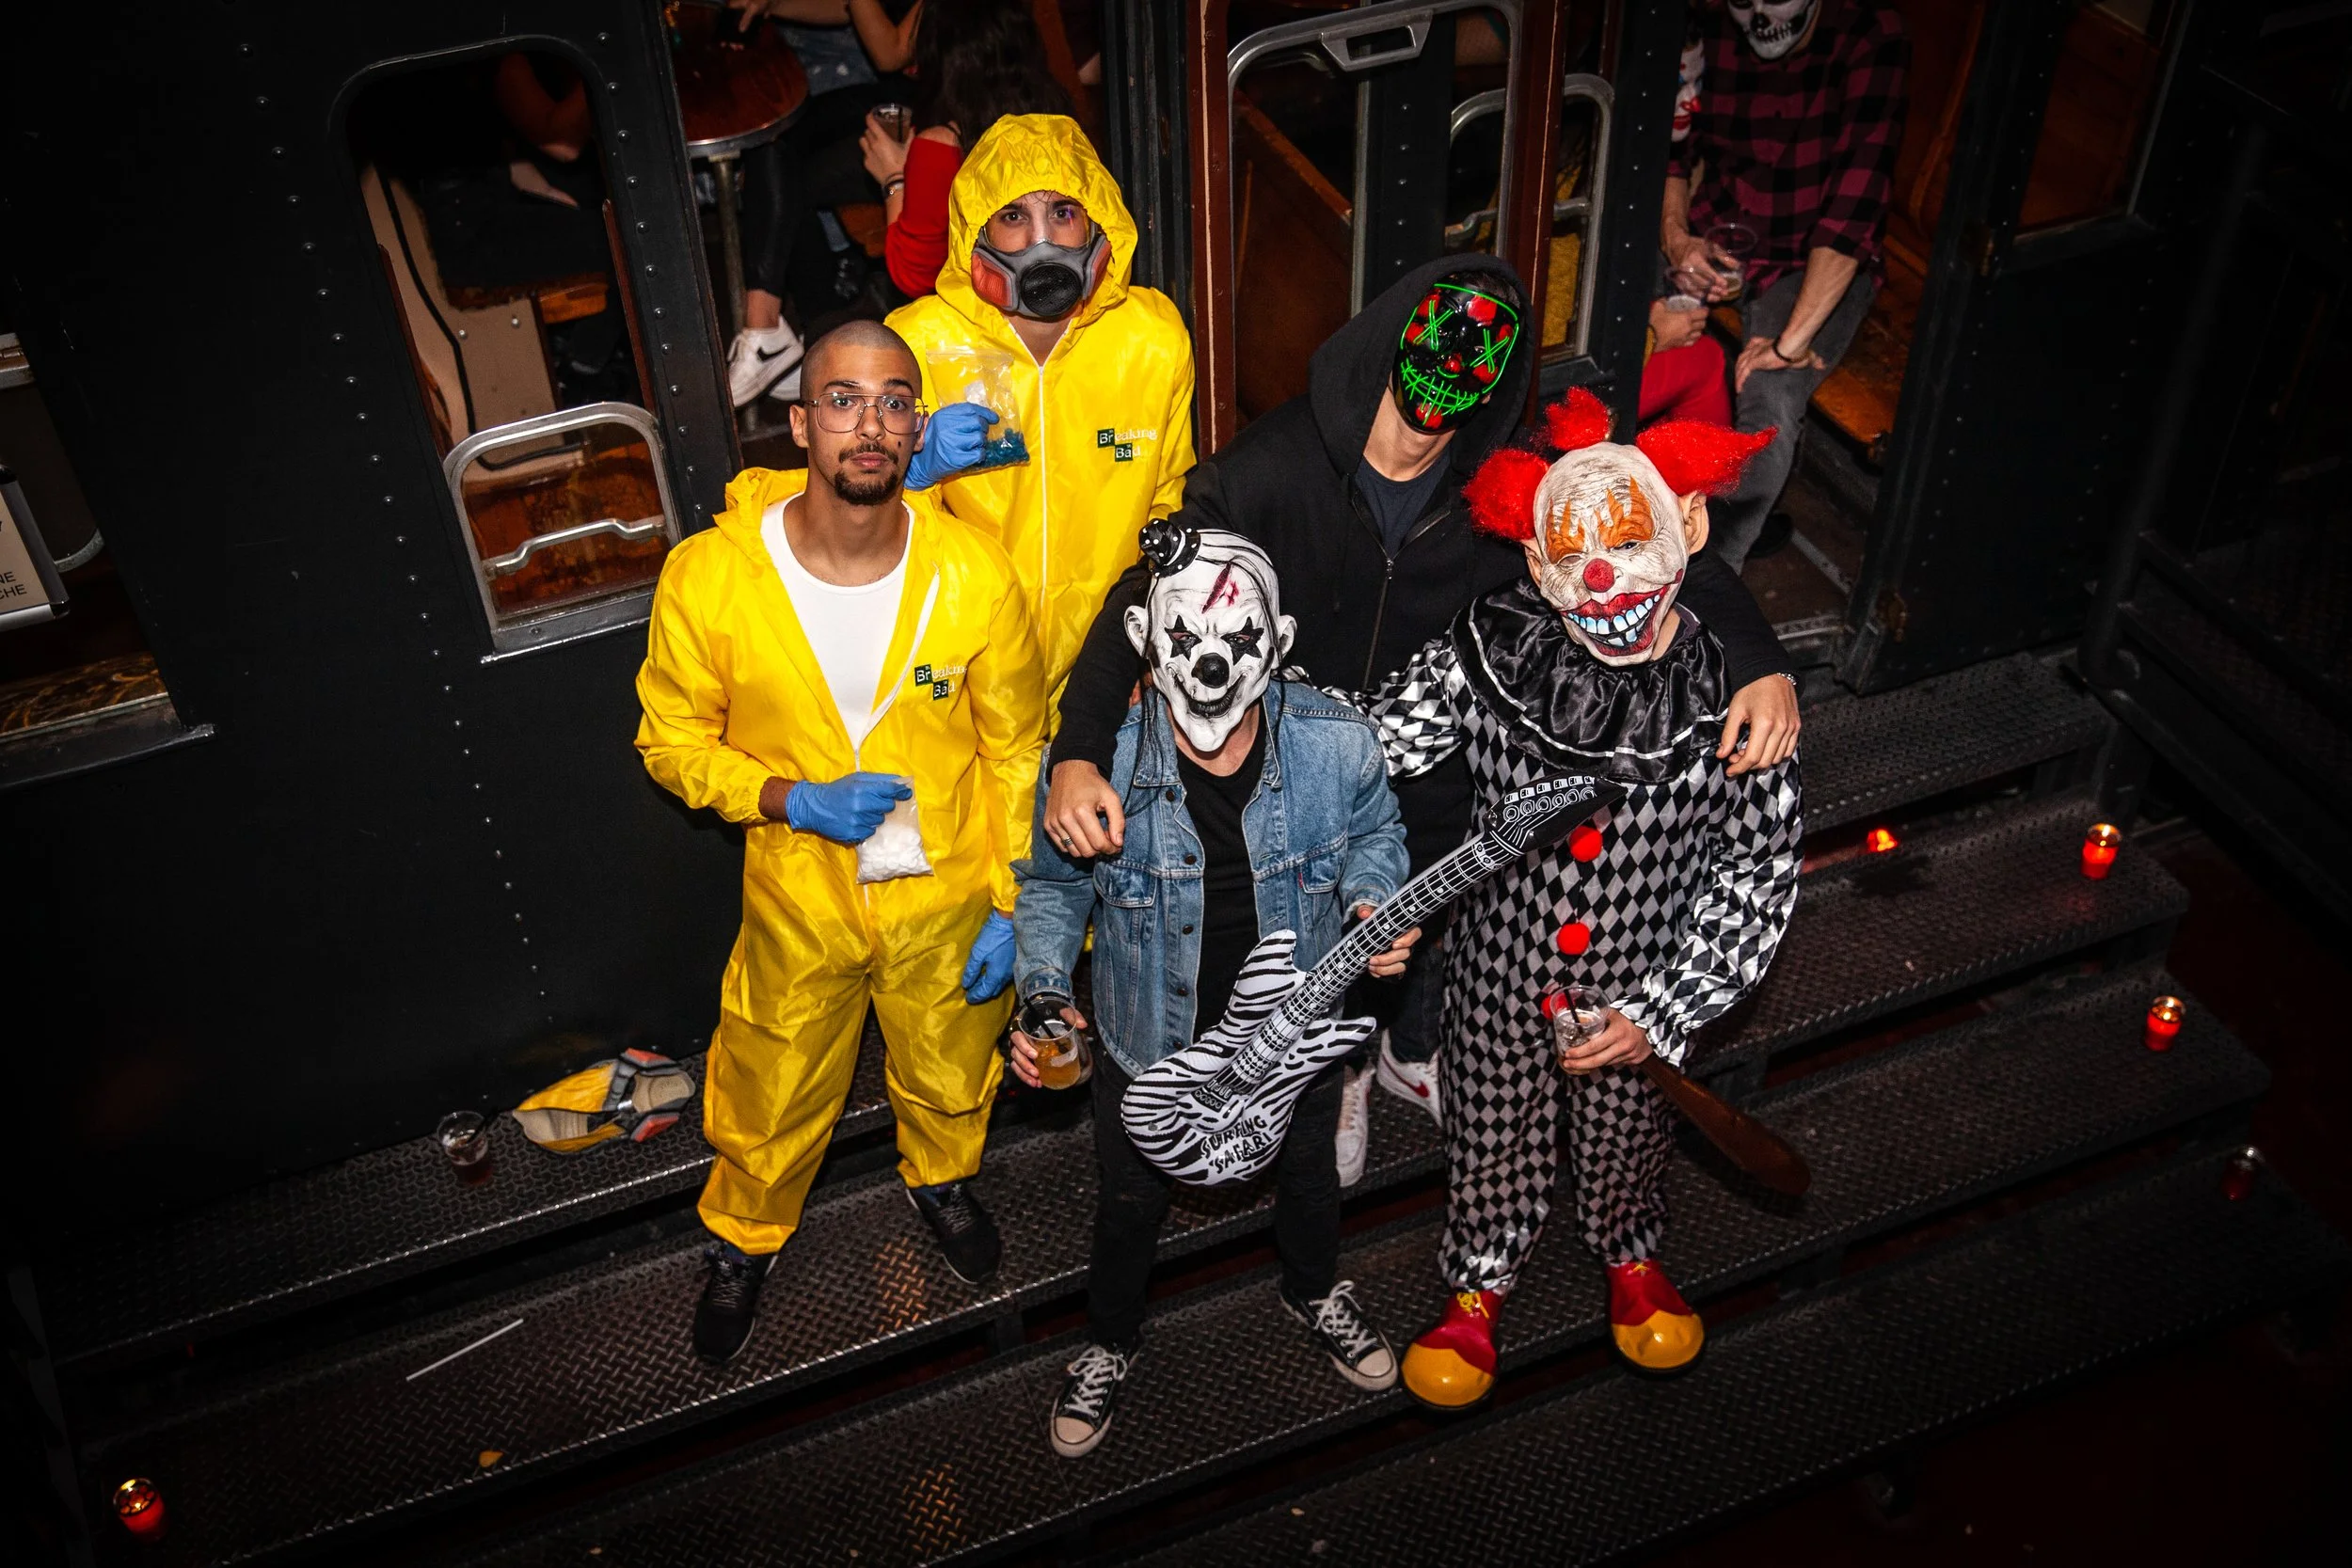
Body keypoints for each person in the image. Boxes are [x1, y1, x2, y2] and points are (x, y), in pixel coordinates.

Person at [1041, 258, 1798, 1189]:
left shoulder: (1502, 488)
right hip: (1290, 768)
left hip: (1432, 770)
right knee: (1313, 945)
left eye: (1484, 350)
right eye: (1441, 334)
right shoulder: (1278, 465)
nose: (1454, 363)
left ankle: (1397, 1049)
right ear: (1395, 329)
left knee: (1411, 924)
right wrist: (1079, 751)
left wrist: (1760, 661)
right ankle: (1349, 1065)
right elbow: (1147, 589)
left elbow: (1652, 542)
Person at [1367, 391, 1804, 1408]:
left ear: (1688, 526)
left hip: (1642, 974)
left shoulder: (1739, 698)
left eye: (1626, 540)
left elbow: (1756, 868)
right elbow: (1373, 744)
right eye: (1571, 553)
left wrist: (1665, 1007)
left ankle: (1628, 1247)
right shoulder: (1493, 648)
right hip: (1496, 965)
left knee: (1629, 1127)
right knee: (1490, 1122)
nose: (1600, 574)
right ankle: (1480, 1272)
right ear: (1535, 563)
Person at [635, 321, 1045, 1362]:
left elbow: (1016, 750)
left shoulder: (974, 573)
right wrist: (787, 798)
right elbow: (671, 741)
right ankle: (744, 1235)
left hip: (945, 891)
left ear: (919, 429)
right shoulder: (712, 575)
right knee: (771, 1077)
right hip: (801, 893)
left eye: (895, 402)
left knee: (951, 1063)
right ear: (799, 422)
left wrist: (1018, 902)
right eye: (845, 400)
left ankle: (941, 1181)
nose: (871, 424)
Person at [1009, 530, 1416, 1457]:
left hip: (1294, 1038)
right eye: (1185, 635)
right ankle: (1111, 1339)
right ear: (1146, 640)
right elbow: (1054, 888)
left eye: (1235, 638)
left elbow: (1377, 834)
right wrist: (1044, 994)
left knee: (1309, 1178)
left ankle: (1312, 1288)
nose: (1209, 661)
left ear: (1277, 641)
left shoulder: (1337, 742)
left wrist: (1371, 898)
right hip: (1147, 1043)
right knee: (1130, 1201)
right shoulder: (1098, 764)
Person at [886, 112, 1196, 701]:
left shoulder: (1151, 340)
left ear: (1096, 222)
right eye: (1013, 217)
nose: (1042, 240)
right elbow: (860, 524)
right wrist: (912, 476)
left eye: (1062, 212)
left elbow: (1172, 498)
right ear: (976, 232)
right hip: (967, 665)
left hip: (1109, 662)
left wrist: (1154, 637)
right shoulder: (918, 344)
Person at [1663, 0, 1908, 569]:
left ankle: (1706, 581)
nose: (1757, 12)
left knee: (1770, 398)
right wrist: (1677, 241)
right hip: (1715, 229)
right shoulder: (1707, 22)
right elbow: (1673, 149)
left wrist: (1789, 344)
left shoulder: (1869, 32)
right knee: (1619, 322)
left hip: (1812, 257)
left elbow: (1853, 212)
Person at [723, 0, 922, 407]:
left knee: (783, 175)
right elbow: (850, 10)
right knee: (774, 133)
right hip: (893, 95)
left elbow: (891, 53)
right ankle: (791, 340)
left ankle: (807, 343)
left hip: (938, 110)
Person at [857, 0, 1073, 301]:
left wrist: (893, 179)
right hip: (1048, 288)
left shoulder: (941, 145)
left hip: (976, 308)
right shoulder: (1058, 118)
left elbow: (913, 278)